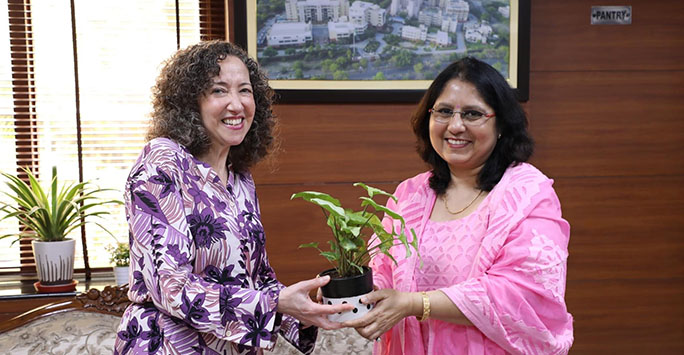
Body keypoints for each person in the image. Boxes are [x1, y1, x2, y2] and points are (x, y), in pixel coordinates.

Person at [114, 41, 351, 355]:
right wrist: (276, 303)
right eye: (219, 90)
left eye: (245, 90)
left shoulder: (239, 176)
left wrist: (306, 311)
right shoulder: (161, 164)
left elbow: (258, 278)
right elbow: (170, 288)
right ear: (189, 102)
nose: (237, 105)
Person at [343, 57, 574, 354]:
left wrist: (416, 303)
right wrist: (354, 297)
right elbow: (382, 270)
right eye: (444, 111)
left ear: (501, 123)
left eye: (473, 114)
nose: (455, 125)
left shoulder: (528, 194)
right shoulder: (411, 194)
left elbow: (523, 295)